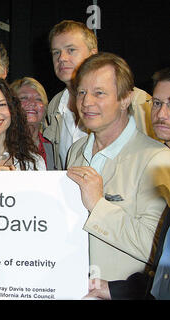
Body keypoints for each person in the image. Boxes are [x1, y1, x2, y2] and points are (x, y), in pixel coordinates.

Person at [66, 53, 170, 283]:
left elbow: (156, 249)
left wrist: (98, 205)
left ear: (125, 99)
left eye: (99, 93)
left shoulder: (158, 160)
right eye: (81, 92)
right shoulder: (76, 151)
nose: (86, 102)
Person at [43, 20, 156, 170]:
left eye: (71, 50)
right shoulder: (54, 106)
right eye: (56, 52)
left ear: (93, 53)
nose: (62, 58)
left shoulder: (139, 102)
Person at [10, 77, 54, 170]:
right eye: (24, 98)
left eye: (38, 99)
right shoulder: (3, 144)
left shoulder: (51, 147)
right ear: (11, 106)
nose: (32, 103)